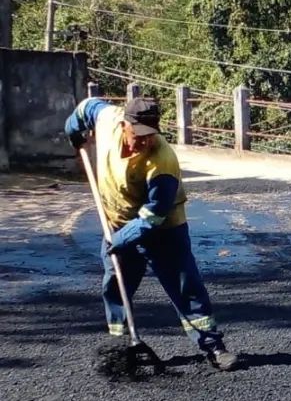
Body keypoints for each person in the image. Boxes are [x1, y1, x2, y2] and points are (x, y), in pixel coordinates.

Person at [65, 96, 240, 371]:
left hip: (164, 228)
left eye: (150, 136)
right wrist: (73, 130)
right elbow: (87, 108)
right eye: (139, 135)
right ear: (124, 125)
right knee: (115, 285)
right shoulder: (109, 120)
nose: (145, 142)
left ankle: (213, 347)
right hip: (117, 221)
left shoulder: (162, 163)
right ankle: (121, 346)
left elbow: (152, 218)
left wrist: (119, 241)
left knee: (186, 287)